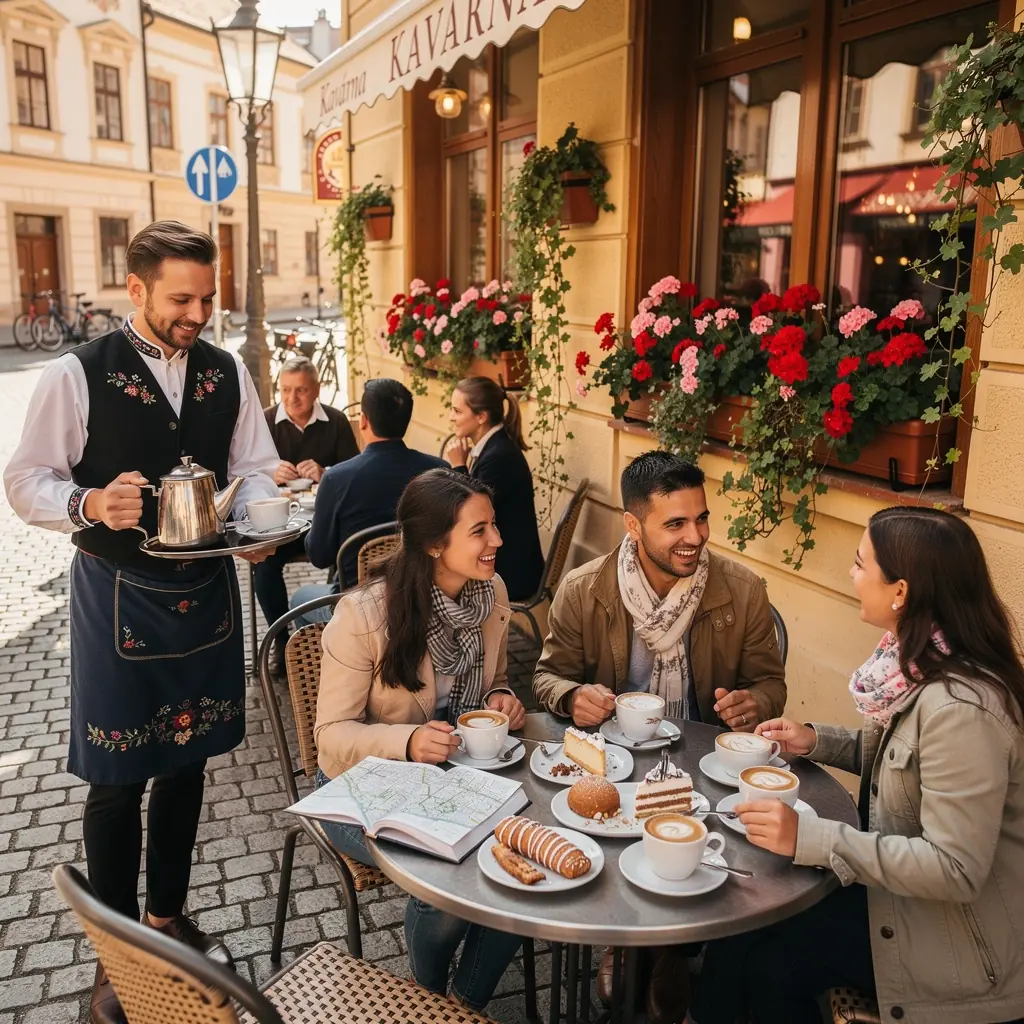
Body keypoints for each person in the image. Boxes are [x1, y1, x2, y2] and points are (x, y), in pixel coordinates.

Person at [3, 221, 279, 1024]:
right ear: (136, 289)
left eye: (207, 298)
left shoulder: (227, 370)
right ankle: (117, 955)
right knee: (117, 779)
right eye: (181, 299)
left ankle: (166, 919)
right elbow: (25, 479)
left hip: (206, 596)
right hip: (117, 593)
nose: (198, 314)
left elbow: (256, 468)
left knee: (188, 763)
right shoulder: (77, 372)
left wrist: (260, 525)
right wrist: (87, 501)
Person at [688, 507, 1024, 1024]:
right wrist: (815, 740)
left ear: (901, 591)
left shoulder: (961, 709)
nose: (851, 573)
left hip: (951, 943)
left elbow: (955, 869)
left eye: (861, 563)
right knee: (771, 966)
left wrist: (811, 837)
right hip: (903, 904)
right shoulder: (917, 664)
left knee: (746, 913)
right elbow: (910, 763)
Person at [532, 450, 787, 1023]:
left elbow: (770, 684)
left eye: (701, 518)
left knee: (693, 839)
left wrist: (755, 704)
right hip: (612, 761)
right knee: (603, 829)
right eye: (675, 523)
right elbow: (547, 676)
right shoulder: (583, 589)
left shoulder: (743, 589)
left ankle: (668, 950)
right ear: (633, 524)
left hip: (704, 761)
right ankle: (628, 940)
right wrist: (572, 697)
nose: (694, 536)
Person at [314, 469, 526, 1011]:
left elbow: (496, 677)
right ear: (434, 545)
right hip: (358, 790)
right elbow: (330, 737)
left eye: (494, 525)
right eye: (479, 531)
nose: (498, 540)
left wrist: (501, 697)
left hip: (456, 775)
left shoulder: (493, 593)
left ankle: (460, 1005)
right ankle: (427, 998)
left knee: (519, 863)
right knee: (448, 883)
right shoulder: (364, 615)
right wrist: (407, 742)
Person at [289, 378, 444, 625]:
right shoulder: (438, 471)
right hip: (423, 595)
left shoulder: (336, 478)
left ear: (363, 420)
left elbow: (319, 556)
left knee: (299, 599)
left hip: (357, 602)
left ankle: (336, 650)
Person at [256, 355, 358, 673]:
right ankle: (281, 639)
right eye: (285, 390)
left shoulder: (335, 421)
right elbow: (245, 471)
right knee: (264, 563)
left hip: (325, 525)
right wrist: (269, 474)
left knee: (351, 551)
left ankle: (341, 633)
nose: (292, 398)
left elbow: (353, 475)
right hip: (282, 524)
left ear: (316, 389)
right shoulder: (265, 421)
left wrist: (325, 473)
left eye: (300, 390)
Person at [444, 376, 544, 601]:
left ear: (481, 417)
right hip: (505, 560)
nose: (451, 417)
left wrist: (458, 465)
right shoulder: (493, 446)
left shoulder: (498, 457)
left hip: (512, 573)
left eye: (457, 411)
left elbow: (468, 514)